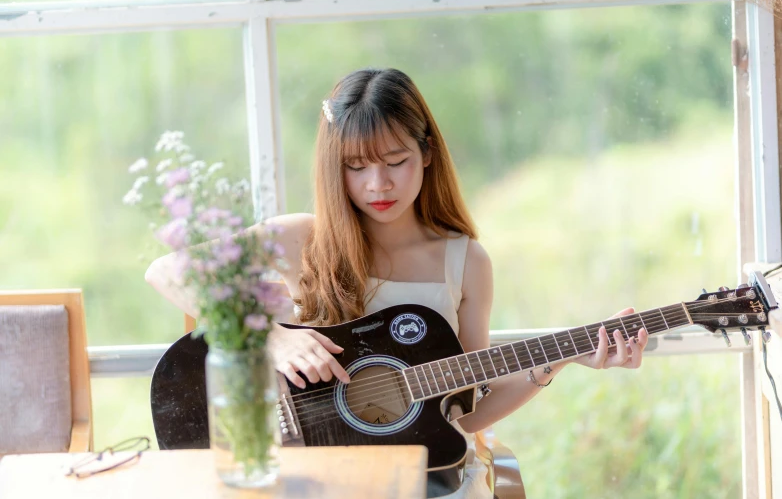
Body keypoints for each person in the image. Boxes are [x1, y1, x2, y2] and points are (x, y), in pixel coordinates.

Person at [145, 67, 649, 498]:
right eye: (355, 167)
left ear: (427, 153)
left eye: (395, 162)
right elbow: (167, 271)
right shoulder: (304, 239)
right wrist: (273, 338)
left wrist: (556, 360)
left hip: (422, 483)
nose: (377, 185)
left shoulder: (466, 261)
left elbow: (465, 415)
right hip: (316, 475)